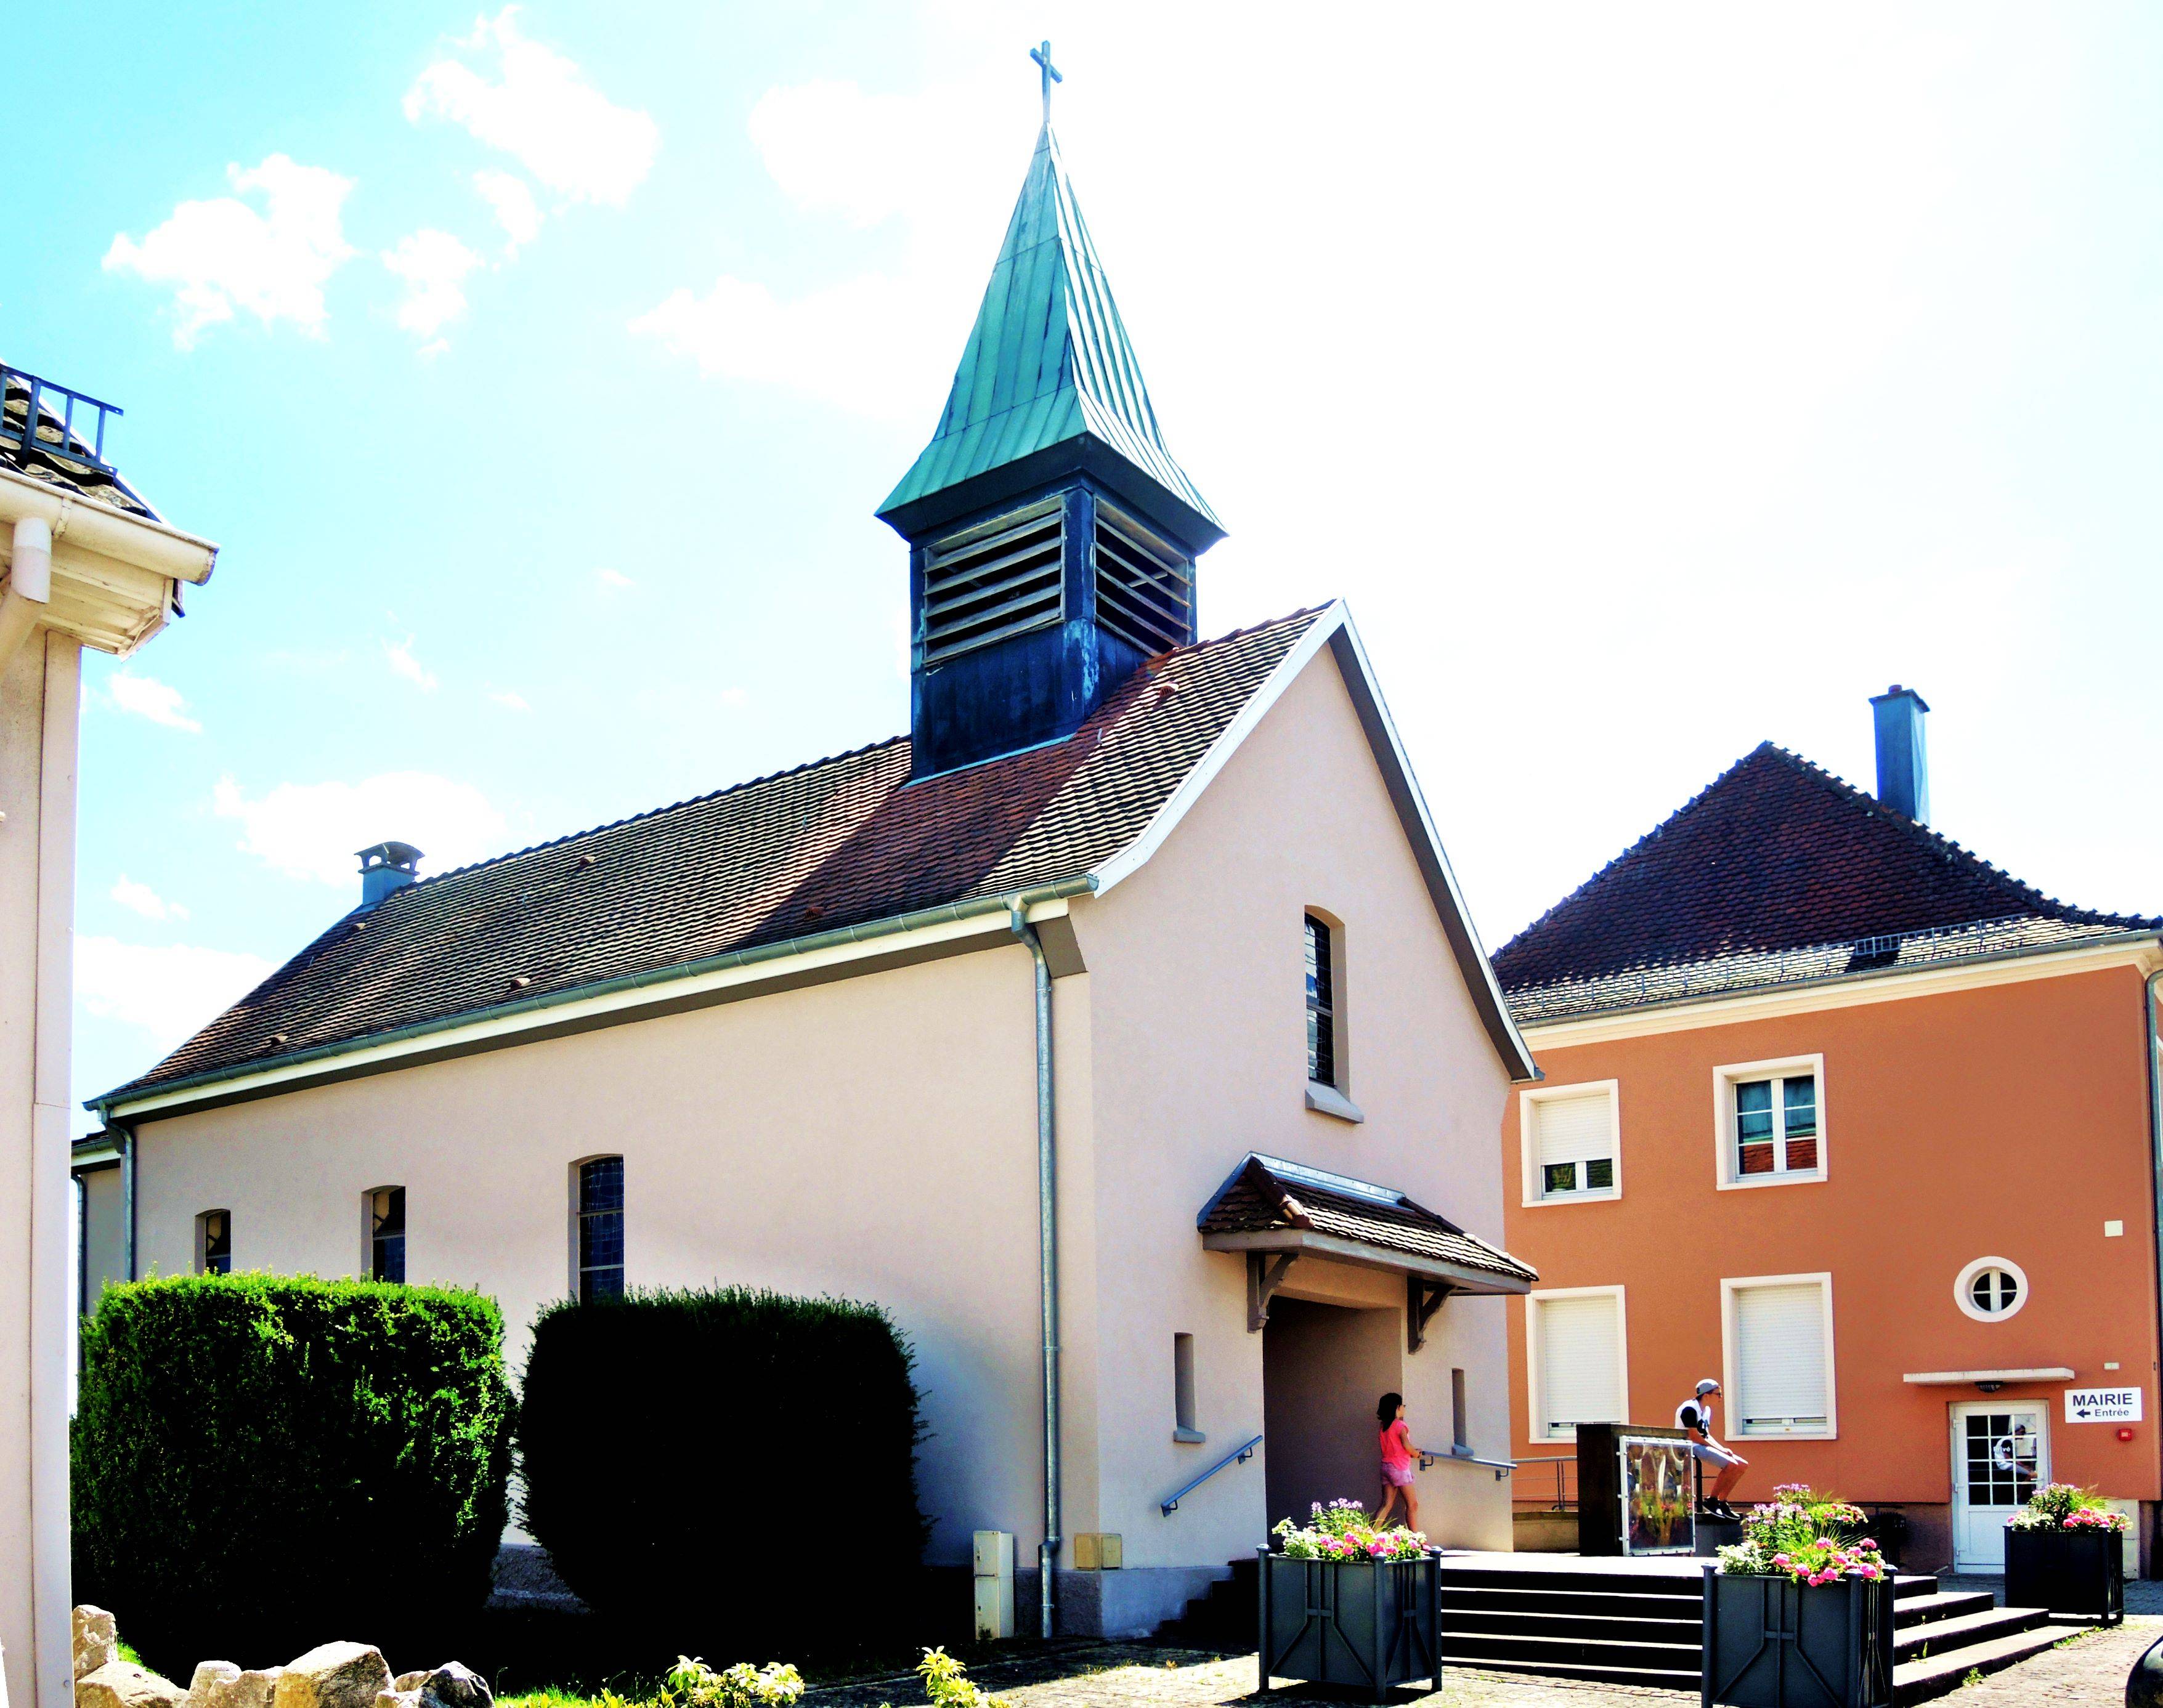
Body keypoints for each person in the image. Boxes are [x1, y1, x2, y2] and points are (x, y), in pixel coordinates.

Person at [1678, 1378, 1747, 1518]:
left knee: (1742, 1465)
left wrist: (1722, 1448)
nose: (1721, 1397)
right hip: (1689, 1447)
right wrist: (1720, 1450)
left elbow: (1706, 1435)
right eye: (1718, 1394)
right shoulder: (1690, 1409)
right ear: (1706, 1395)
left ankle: (1722, 1502)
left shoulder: (1706, 1410)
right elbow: (1693, 1436)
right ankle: (1712, 1501)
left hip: (1700, 1444)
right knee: (1731, 1464)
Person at [1373, 1391, 1428, 1532]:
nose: (1404, 1408)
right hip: (1399, 1468)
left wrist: (1409, 1452)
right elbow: (1405, 1445)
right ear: (1397, 1407)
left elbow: (1395, 1447)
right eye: (1403, 1405)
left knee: (1386, 1504)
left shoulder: (1383, 1426)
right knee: (1412, 1504)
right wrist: (1416, 1454)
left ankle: (1370, 1536)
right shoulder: (1400, 1425)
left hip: (1386, 1466)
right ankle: (1417, 1539)